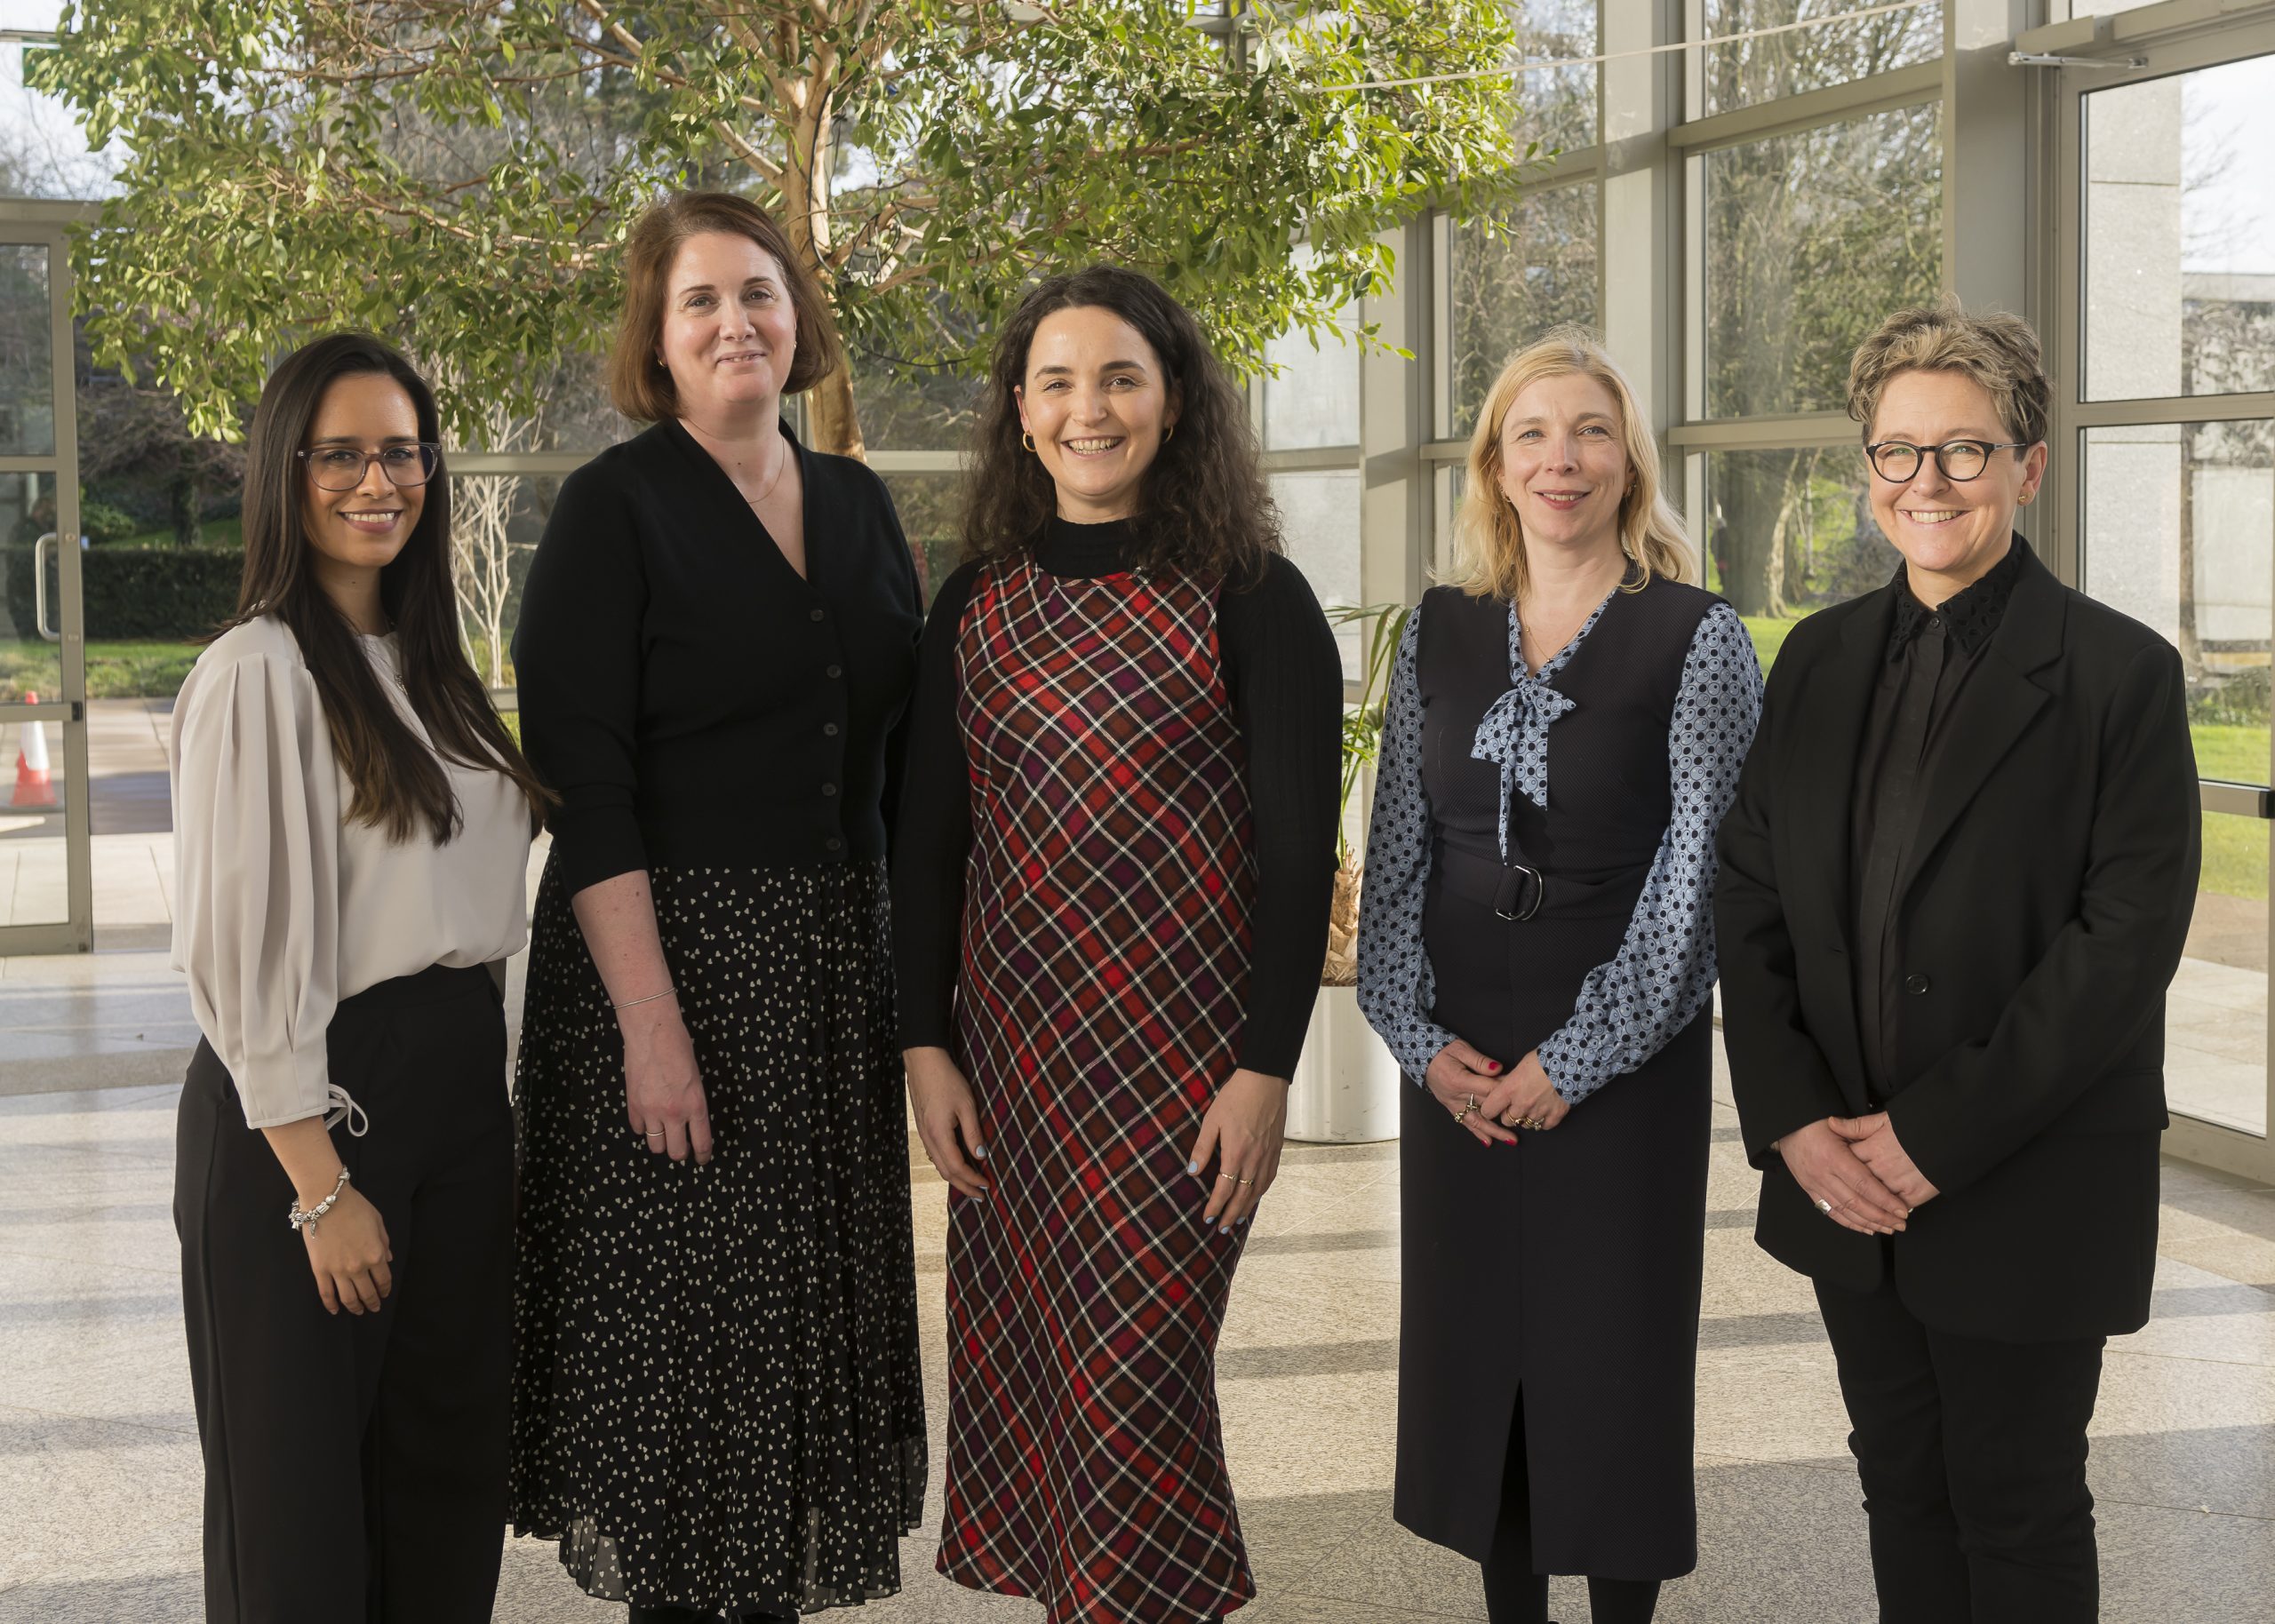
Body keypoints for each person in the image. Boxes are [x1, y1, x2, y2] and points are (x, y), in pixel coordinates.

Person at [1715, 300, 2201, 1622]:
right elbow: (1747, 893)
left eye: (1965, 452)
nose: (1927, 482)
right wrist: (1795, 1121)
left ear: (2029, 467)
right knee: (1901, 1488)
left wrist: (1929, 1138)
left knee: (2020, 1498)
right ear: (1868, 471)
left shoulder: (2121, 678)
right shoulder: (1813, 662)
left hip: (2024, 1177)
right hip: (1841, 1182)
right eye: (1898, 451)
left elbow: (2122, 947)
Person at [891, 263, 1343, 1623]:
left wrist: (1267, 1069)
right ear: (1020, 413)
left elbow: (1295, 856)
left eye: (1121, 377)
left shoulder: (1252, 596)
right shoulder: (973, 600)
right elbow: (928, 845)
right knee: (1047, 1395)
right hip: (1018, 1069)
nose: (1090, 409)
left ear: (1175, 397)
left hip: (1185, 1076)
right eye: (1058, 381)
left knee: (1131, 1388)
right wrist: (924, 1041)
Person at [507, 191, 927, 1622]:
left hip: (826, 989)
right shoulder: (612, 512)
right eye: (702, 302)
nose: (738, 321)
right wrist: (650, 1029)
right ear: (659, 340)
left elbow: (906, 769)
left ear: (796, 315)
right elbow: (585, 785)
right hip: (669, 986)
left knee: (790, 1384)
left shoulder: (863, 504)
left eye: (760, 291)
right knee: (695, 1402)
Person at [1355, 327, 1762, 1624]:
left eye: (1588, 430)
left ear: (1628, 459)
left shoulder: (1697, 637)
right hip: (1465, 1030)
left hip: (1621, 1036)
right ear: (1495, 462)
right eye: (1532, 433)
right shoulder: (1443, 629)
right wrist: (1419, 1043)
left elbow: (1701, 874)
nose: (1560, 458)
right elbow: (1398, 848)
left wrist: (1576, 1060)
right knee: (1484, 1351)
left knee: (1612, 1350)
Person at [170, 331, 547, 1622]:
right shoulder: (257, 674)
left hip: (452, 1099)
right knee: (299, 1523)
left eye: (401, 452)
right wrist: (320, 1191)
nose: (375, 480)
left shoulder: (439, 675)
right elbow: (239, 951)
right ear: (288, 470)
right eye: (341, 454)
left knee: (443, 1490)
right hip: (314, 1111)